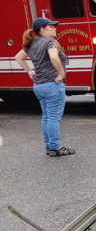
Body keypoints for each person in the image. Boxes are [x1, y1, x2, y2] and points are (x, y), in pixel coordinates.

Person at [14, 17, 74, 156]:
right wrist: (61, 73)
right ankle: (54, 148)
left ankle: (49, 146)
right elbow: (54, 58)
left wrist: (29, 70)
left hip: (39, 86)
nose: (55, 28)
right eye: (51, 26)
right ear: (42, 29)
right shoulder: (50, 42)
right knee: (53, 118)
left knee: (47, 117)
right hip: (52, 85)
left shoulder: (31, 43)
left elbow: (18, 57)